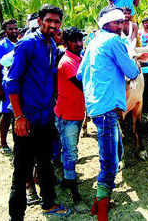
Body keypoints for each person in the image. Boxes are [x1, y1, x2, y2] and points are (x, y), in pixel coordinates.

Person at [7, 4, 71, 220]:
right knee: (22, 170)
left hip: (45, 117)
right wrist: (18, 116)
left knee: (45, 164)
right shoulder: (27, 45)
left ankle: (49, 204)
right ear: (40, 21)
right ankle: (16, 216)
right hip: (26, 119)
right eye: (49, 21)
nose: (53, 25)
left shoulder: (52, 45)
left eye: (57, 22)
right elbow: (12, 82)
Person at [77, 6, 140, 221]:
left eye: (122, 22)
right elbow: (131, 71)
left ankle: (98, 204)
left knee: (109, 156)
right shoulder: (114, 41)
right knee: (110, 162)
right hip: (107, 109)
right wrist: (137, 66)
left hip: (95, 107)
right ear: (106, 24)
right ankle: (102, 212)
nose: (121, 26)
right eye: (117, 23)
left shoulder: (93, 42)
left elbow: (79, 74)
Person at [54, 27, 87, 209]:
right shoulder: (67, 62)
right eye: (74, 41)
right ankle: (76, 197)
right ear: (66, 43)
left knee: (70, 149)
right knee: (70, 152)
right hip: (68, 115)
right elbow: (82, 85)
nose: (79, 44)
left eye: (80, 40)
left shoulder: (78, 58)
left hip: (75, 113)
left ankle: (68, 179)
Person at [0, 19, 18, 155]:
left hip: (19, 83)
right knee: (7, 114)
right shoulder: (0, 46)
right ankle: (3, 142)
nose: (14, 31)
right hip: (7, 84)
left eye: (15, 28)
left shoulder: (21, 43)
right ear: (5, 31)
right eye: (10, 29)